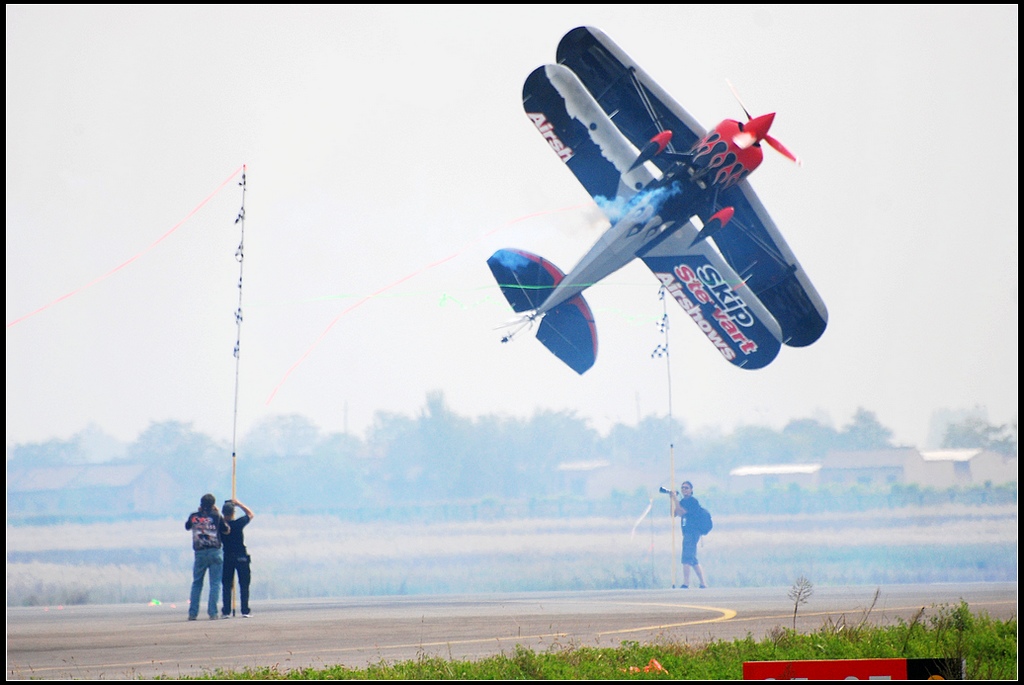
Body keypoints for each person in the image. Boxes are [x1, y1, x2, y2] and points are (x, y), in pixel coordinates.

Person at [185, 493, 230, 620]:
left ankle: (193, 613)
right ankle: (213, 612)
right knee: (215, 583)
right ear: (213, 504)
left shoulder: (194, 516)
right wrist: (216, 512)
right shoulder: (216, 516)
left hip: (199, 553)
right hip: (215, 551)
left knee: (197, 583)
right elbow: (226, 530)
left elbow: (187, 526)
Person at [220, 498, 255, 618]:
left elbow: (216, 519)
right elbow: (250, 514)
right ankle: (245, 610)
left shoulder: (221, 525)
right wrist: (239, 504)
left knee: (226, 584)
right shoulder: (238, 524)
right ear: (233, 513)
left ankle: (226, 611)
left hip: (228, 556)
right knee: (244, 584)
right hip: (241, 556)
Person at [669, 481, 707, 589]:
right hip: (687, 532)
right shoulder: (682, 501)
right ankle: (703, 583)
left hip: (692, 532)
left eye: (686, 488)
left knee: (686, 558)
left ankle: (686, 583)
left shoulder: (693, 502)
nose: (684, 490)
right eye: (683, 488)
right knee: (693, 559)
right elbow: (673, 514)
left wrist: (675, 499)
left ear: (691, 490)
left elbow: (682, 513)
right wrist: (672, 500)